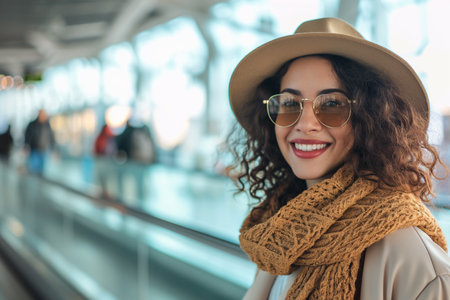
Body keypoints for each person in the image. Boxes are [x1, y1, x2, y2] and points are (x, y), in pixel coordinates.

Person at [227, 17, 450, 299]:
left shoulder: (411, 255)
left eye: (332, 104)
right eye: (289, 103)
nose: (305, 123)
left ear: (370, 118)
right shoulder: (280, 236)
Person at [24, 109, 55, 175]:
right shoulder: (32, 124)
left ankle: (39, 184)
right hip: (34, 150)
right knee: (33, 170)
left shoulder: (47, 125)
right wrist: (26, 146)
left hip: (43, 151)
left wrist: (53, 149)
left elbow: (51, 137)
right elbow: (27, 136)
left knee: (41, 171)